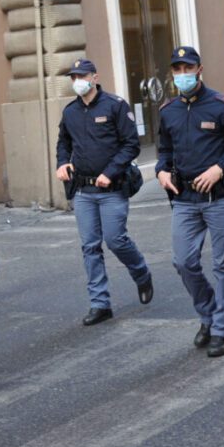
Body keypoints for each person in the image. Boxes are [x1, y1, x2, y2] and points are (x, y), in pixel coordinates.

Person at [156, 47, 224, 357]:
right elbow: (164, 150)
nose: (182, 74)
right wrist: (161, 171)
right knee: (183, 261)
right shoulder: (168, 110)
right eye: (177, 69)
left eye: (188, 68)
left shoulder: (222, 106)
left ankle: (222, 330)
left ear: (200, 69)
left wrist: (219, 168)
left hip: (220, 198)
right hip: (184, 199)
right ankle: (209, 315)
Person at [56, 59, 154, 326]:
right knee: (90, 246)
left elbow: (131, 145)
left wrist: (110, 172)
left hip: (112, 188)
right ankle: (100, 303)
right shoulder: (70, 112)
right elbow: (63, 143)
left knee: (116, 239)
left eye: (82, 76)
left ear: (94, 77)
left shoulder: (115, 106)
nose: (77, 81)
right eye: (73, 76)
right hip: (84, 190)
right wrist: (62, 162)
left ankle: (141, 273)